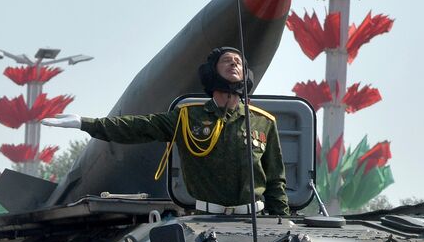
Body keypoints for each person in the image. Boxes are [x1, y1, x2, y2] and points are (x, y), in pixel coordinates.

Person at [43, 47, 289, 216]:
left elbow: (276, 178)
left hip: (254, 223)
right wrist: (86, 124)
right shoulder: (187, 117)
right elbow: (137, 127)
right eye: (227, 60)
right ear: (212, 72)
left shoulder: (262, 123)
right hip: (205, 218)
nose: (234, 63)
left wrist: (282, 220)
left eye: (238, 62)